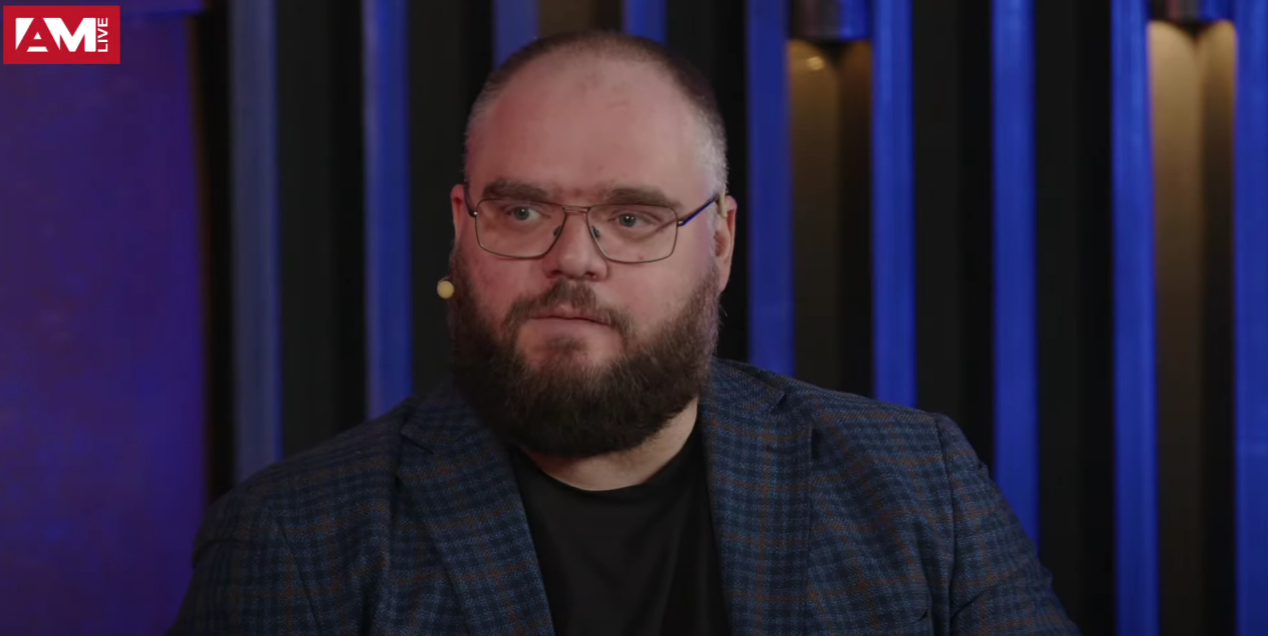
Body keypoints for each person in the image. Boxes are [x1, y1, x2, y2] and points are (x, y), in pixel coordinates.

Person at [170, 30, 1079, 635]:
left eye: (633, 218)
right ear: (461, 227)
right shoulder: (294, 540)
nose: (574, 260)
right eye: (523, 211)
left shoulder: (920, 487)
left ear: (719, 244)